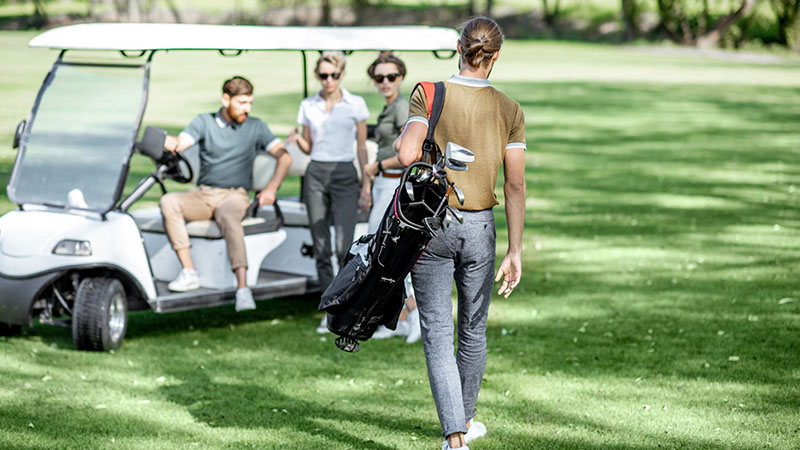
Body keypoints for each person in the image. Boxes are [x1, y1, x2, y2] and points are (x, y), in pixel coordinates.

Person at [396, 17, 526, 450]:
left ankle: (456, 438)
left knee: (436, 331)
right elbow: (515, 185)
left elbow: (406, 153)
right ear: (497, 54)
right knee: (473, 330)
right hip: (481, 228)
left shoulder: (429, 93)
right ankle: (464, 422)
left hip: (432, 226)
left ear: (458, 47)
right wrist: (516, 250)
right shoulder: (509, 108)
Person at [160, 76, 292, 312]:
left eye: (250, 102)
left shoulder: (256, 126)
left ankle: (242, 289)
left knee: (229, 217)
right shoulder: (204, 122)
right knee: (169, 201)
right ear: (225, 99)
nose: (247, 108)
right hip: (205, 195)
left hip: (235, 196)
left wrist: (271, 188)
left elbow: (285, 156)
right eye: (242, 103)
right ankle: (189, 272)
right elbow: (181, 142)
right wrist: (165, 141)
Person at [287, 51, 370, 294]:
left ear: (341, 74)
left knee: (343, 246)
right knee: (321, 246)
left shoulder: (356, 104)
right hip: (316, 174)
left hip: (344, 173)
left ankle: (346, 299)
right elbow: (309, 145)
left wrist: (366, 184)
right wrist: (296, 140)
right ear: (317, 75)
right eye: (323, 75)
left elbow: (362, 146)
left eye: (334, 75)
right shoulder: (308, 105)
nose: (329, 80)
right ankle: (329, 306)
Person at [361, 52, 421, 344]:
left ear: (400, 78)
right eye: (379, 77)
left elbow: (410, 152)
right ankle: (398, 318)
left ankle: (414, 314)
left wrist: (378, 166)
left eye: (391, 77)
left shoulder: (400, 108)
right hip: (383, 184)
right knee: (382, 254)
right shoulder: (388, 108)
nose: (385, 82)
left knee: (387, 253)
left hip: (393, 184)